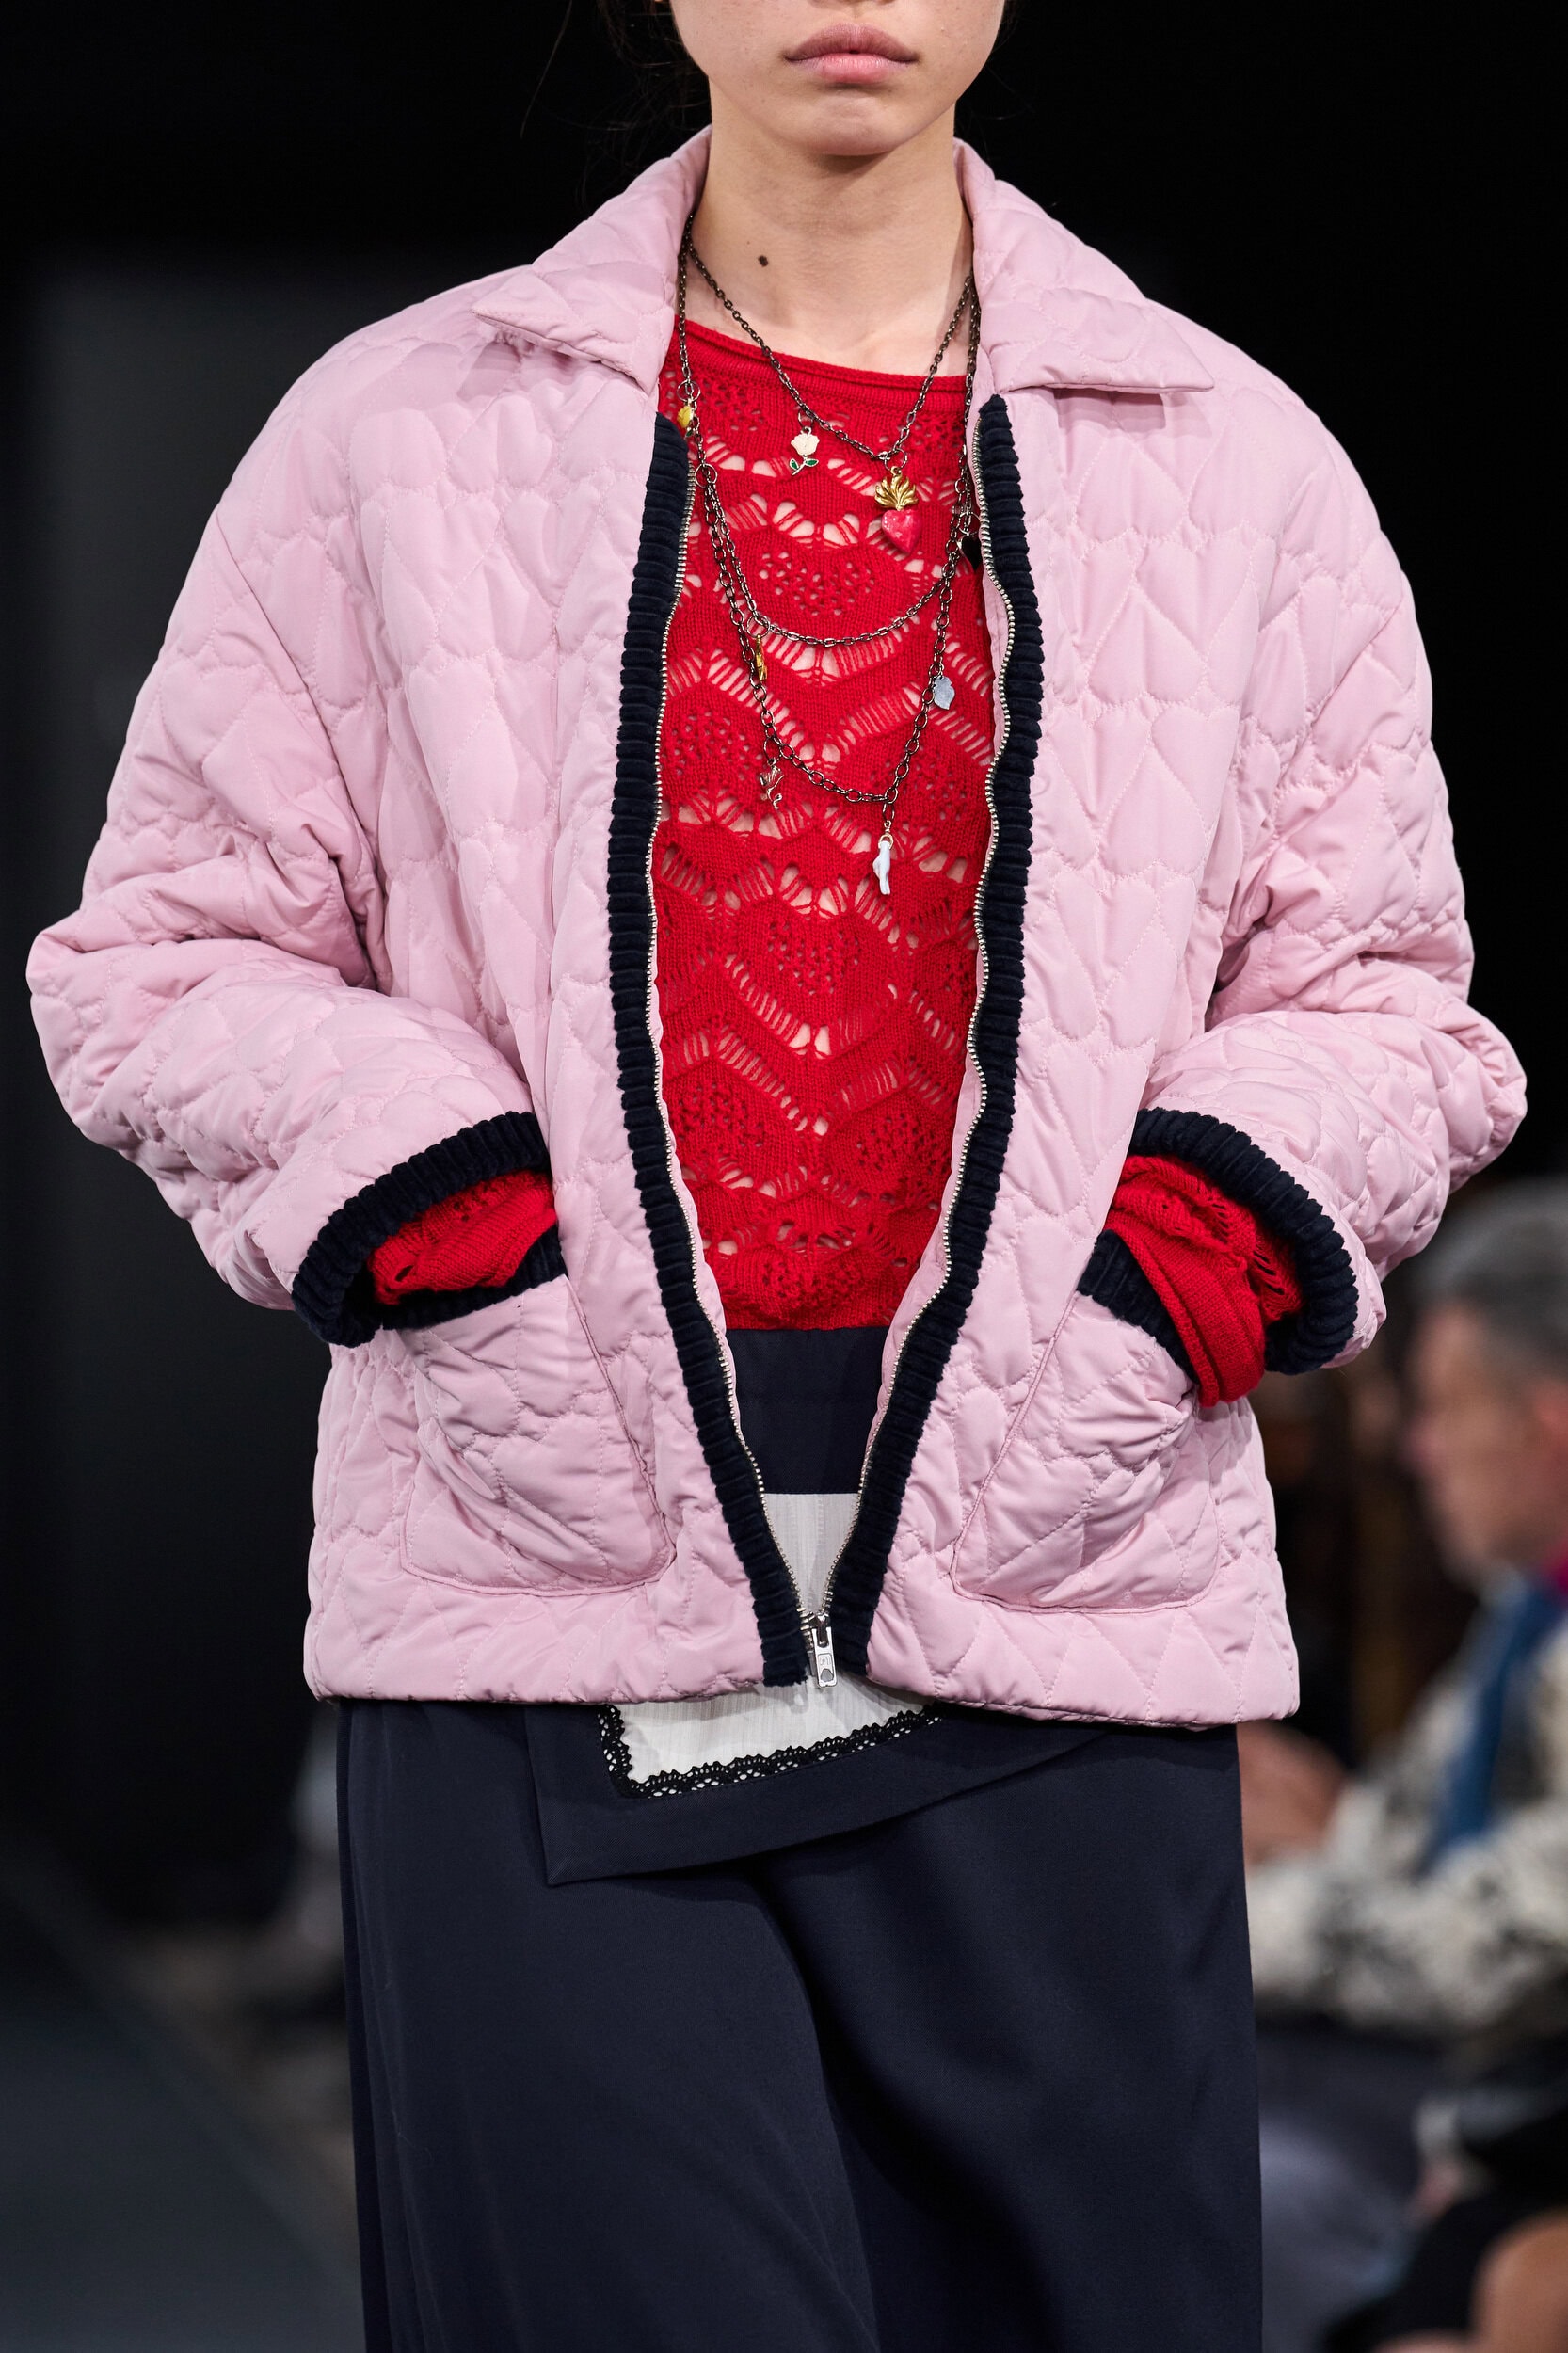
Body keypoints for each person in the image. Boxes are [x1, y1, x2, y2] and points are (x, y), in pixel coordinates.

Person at [27, 3, 1522, 2345]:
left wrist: (1145, 1307)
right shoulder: (402, 434)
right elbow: (165, 954)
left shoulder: (1234, 463)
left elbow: (1386, 1004)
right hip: (552, 1583)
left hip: (1062, 1588)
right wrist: (482, 1258)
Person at [1244, 1187, 1568, 2353]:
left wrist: (1204, 1927)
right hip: (1456, 2087)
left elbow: (1488, 1943)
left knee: (1242, 2191)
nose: (1412, 1448)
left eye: (1442, 1408)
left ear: (1547, 1422)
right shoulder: (1525, 1616)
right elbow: (1385, 1842)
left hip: (1497, 2105)